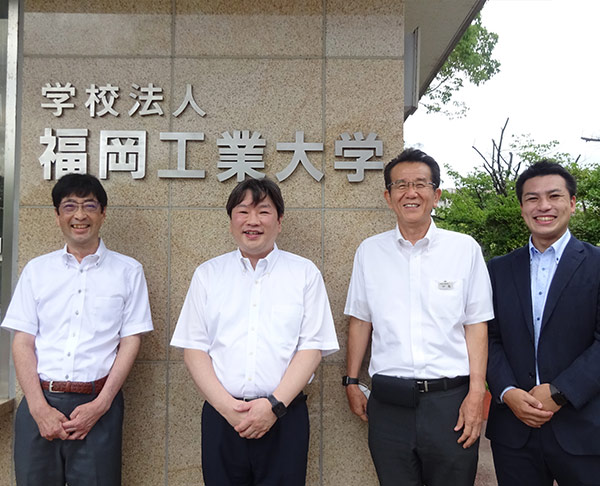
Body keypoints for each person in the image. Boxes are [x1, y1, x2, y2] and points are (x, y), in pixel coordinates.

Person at [170, 177, 339, 486]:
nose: (253, 221)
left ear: (279, 220)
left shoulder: (304, 274)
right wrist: (227, 408)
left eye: (263, 211)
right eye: (243, 211)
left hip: (285, 417)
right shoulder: (208, 274)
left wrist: (273, 406)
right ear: (231, 221)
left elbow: (312, 348)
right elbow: (194, 348)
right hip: (222, 418)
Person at [343, 148, 494, 486]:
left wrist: (476, 394)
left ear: (436, 195)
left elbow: (476, 325)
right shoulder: (370, 251)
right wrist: (351, 381)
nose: (410, 193)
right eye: (401, 185)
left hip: (450, 402)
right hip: (389, 403)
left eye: (420, 184)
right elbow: (361, 321)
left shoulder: (464, 249)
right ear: (388, 197)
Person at [1, 173, 153, 485]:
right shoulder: (37, 271)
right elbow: (23, 341)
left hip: (99, 404)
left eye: (89, 206)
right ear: (57, 215)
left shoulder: (128, 271)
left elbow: (130, 341)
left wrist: (101, 404)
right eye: (69, 206)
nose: (80, 215)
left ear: (103, 213)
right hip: (40, 400)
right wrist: (39, 409)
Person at [486, 161, 600, 485]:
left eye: (554, 196)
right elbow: (488, 338)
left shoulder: (596, 264)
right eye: (532, 198)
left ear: (572, 203)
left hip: (584, 428)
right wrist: (507, 391)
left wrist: (561, 392)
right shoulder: (498, 269)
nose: (543, 206)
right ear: (522, 207)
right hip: (514, 431)